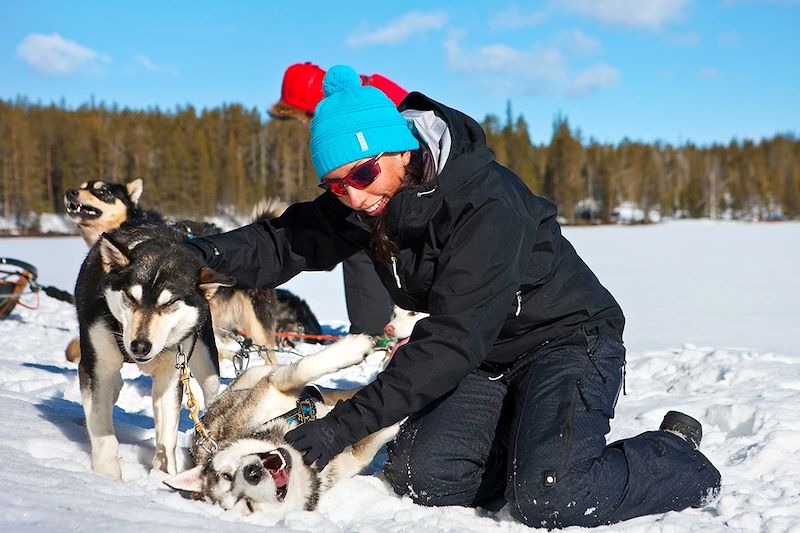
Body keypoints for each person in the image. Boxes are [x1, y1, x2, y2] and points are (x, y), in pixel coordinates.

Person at [186, 65, 721, 528]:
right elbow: (287, 240)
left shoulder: (487, 203)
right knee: (425, 478)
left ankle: (675, 456)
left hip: (565, 340)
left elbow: (452, 341)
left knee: (550, 495)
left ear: (399, 148)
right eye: (334, 185)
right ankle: (530, 437)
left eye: (363, 173)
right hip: (487, 359)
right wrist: (191, 253)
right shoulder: (368, 199)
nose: (352, 194)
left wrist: (338, 430)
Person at [269, 62, 408, 335]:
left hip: (398, 193)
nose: (303, 122)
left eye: (302, 115)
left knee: (359, 243)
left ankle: (369, 332)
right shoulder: (368, 91)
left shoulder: (361, 107)